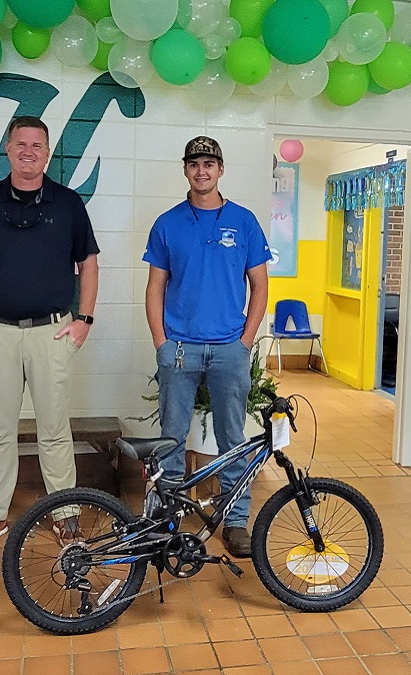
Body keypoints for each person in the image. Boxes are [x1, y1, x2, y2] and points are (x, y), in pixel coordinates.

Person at [0, 116, 100, 550]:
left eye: (38, 145)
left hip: (52, 333)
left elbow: (88, 262)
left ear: (48, 153)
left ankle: (65, 513)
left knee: (54, 429)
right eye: (22, 144)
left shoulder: (68, 203)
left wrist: (83, 320)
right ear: (8, 148)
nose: (29, 151)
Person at [143, 136, 271, 558]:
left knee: (232, 437)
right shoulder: (168, 223)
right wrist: (162, 343)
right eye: (195, 163)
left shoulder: (244, 221)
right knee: (171, 439)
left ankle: (235, 521)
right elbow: (155, 287)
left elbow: (259, 285)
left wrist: (244, 342)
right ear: (185, 170)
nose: (202, 171)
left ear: (220, 170)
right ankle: (169, 519)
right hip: (179, 348)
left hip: (228, 350)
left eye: (209, 164)